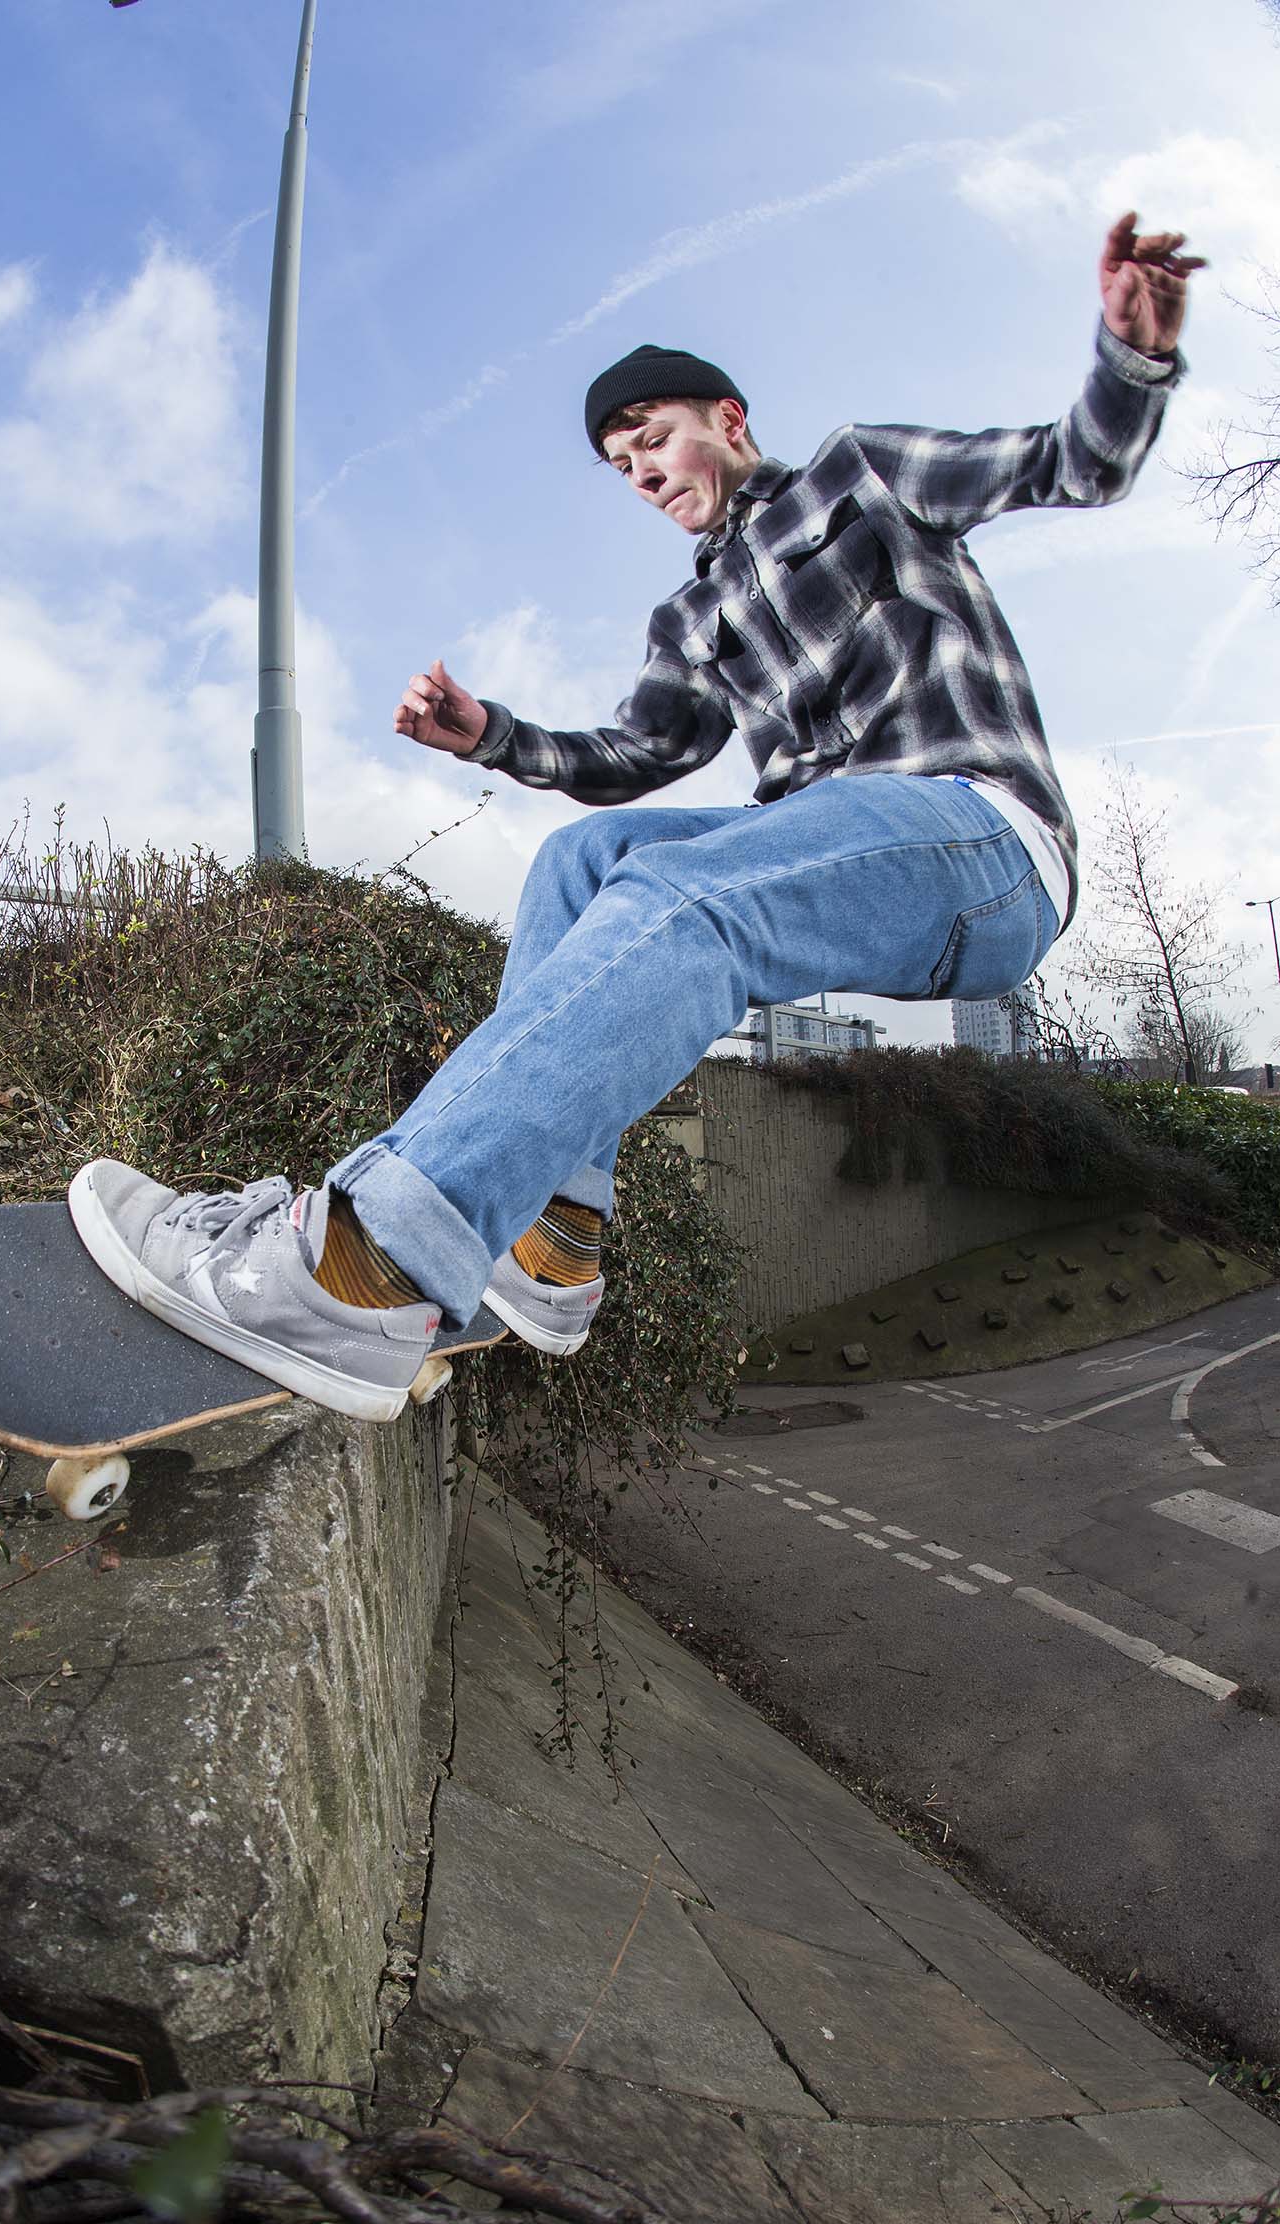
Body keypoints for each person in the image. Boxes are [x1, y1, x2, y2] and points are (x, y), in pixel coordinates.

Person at [68, 211, 1203, 1423]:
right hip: (842, 859)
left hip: (981, 840)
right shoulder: (692, 619)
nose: (643, 472)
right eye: (622, 465)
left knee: (686, 899)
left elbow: (1068, 463)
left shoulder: (858, 475)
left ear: (730, 421)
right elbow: (633, 756)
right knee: (583, 858)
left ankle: (366, 1263)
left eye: (654, 440)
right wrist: (494, 734)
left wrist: (1129, 362)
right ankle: (557, 1236)